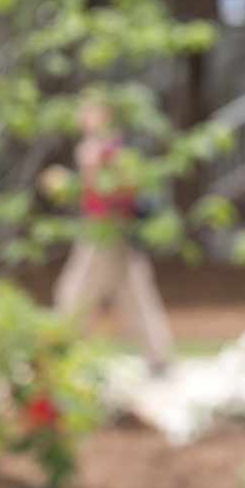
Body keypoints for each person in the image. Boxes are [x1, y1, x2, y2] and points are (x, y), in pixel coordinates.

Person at [50, 101, 173, 374]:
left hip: (103, 232)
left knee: (75, 293)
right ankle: (158, 357)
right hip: (113, 232)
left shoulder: (104, 150)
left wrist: (81, 173)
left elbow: (113, 189)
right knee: (134, 294)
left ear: (104, 115)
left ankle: (62, 355)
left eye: (88, 111)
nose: (81, 116)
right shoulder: (108, 148)